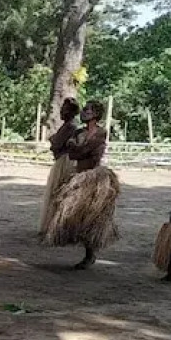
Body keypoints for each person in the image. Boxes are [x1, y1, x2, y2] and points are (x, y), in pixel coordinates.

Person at [43, 100, 121, 269]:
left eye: (87, 110)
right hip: (79, 176)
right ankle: (86, 250)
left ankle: (90, 254)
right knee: (76, 215)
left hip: (94, 178)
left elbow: (89, 151)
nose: (83, 112)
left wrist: (78, 148)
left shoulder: (101, 132)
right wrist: (79, 149)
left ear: (96, 114)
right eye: (84, 109)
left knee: (92, 216)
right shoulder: (78, 132)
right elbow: (73, 154)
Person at [39, 97, 81, 242]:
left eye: (65, 110)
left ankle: (59, 227)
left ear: (71, 112)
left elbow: (56, 144)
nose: (62, 113)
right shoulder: (68, 126)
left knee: (58, 191)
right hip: (63, 160)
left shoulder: (70, 127)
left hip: (64, 161)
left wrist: (53, 140)